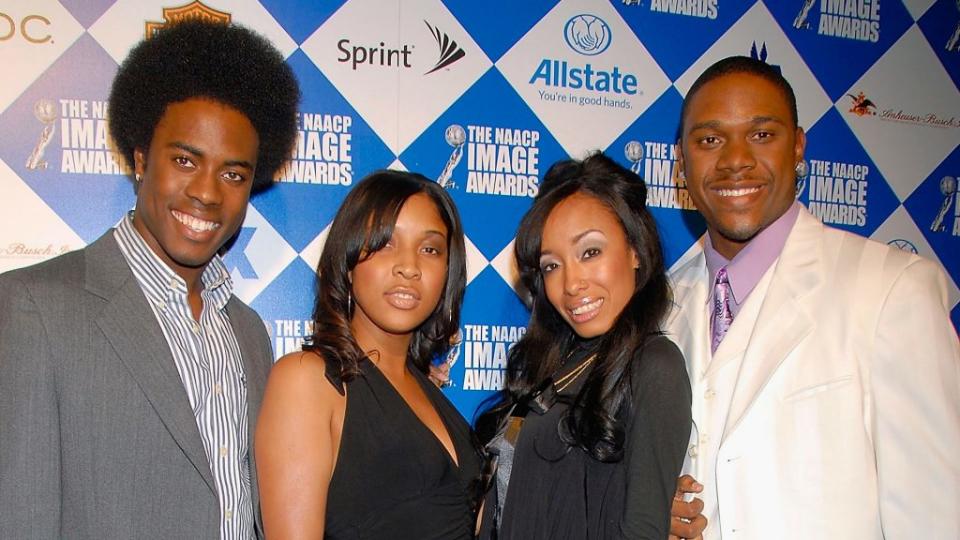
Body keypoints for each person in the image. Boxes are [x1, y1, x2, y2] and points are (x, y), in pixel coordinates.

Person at [0, 20, 299, 538]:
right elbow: (20, 516)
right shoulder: (35, 308)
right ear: (141, 159)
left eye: (233, 174)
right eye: (185, 160)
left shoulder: (249, 332)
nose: (207, 192)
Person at [666, 55, 960, 539]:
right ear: (682, 158)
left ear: (798, 147)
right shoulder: (660, 305)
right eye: (710, 140)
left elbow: (934, 516)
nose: (735, 159)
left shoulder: (892, 288)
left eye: (762, 135)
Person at [255, 170, 482, 539]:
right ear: (348, 259)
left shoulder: (426, 388)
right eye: (385, 243)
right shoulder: (307, 379)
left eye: (430, 249)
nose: (409, 267)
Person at [478, 153, 692, 539]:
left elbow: (643, 529)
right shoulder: (558, 364)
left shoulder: (654, 364)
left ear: (635, 251)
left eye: (590, 252)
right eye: (551, 265)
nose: (571, 282)